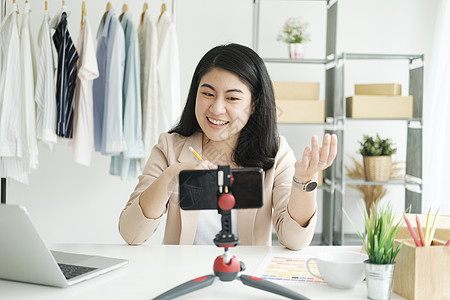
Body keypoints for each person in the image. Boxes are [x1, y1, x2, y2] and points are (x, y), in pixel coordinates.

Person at [118, 43, 337, 250]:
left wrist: (305, 182)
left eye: (232, 98)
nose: (216, 108)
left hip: (246, 278)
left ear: (254, 104)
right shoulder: (170, 147)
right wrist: (169, 177)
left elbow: (295, 241)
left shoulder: (276, 152)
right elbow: (132, 233)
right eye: (207, 94)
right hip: (183, 276)